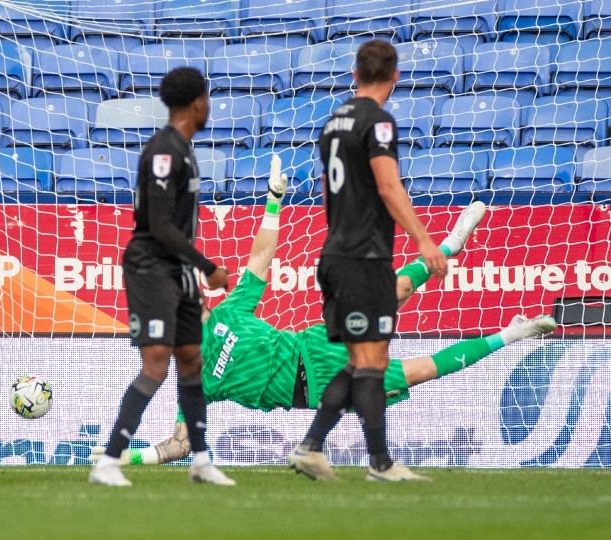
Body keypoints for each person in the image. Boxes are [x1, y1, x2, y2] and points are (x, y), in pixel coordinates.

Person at [90, 166, 556, 469]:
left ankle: (451, 242)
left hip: (312, 345)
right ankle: (512, 334)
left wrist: (273, 201)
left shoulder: (229, 308)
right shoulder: (193, 377)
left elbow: (260, 259)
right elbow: (180, 444)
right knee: (422, 371)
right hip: (312, 387)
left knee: (393, 289)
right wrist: (128, 457)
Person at [288, 39, 450, 482]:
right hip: (363, 257)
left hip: (336, 253)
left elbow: (327, 190)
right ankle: (380, 463)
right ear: (395, 76)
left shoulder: (332, 122)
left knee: (361, 360)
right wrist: (424, 241)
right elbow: (388, 187)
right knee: (373, 360)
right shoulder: (378, 123)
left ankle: (311, 446)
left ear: (355, 74)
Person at [89, 67, 234, 487]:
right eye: (207, 99)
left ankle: (201, 460)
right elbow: (160, 224)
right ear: (196, 103)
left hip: (178, 270)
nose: (209, 107)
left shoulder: (183, 148)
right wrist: (208, 268)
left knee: (191, 359)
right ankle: (109, 461)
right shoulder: (165, 150)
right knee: (156, 364)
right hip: (152, 266)